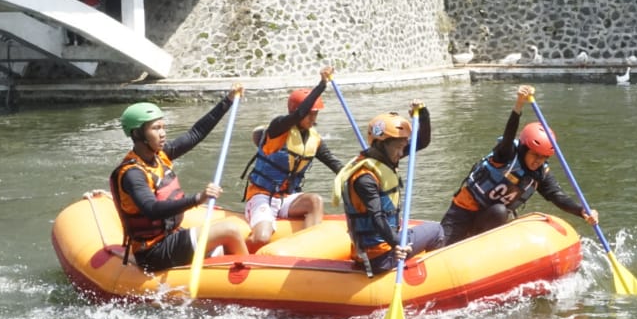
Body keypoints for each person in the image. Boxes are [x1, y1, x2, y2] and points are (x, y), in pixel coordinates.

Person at [108, 88, 250, 273]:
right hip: (153, 251)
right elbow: (151, 210)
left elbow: (195, 134)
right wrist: (197, 198)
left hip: (170, 236)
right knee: (229, 230)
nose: (163, 133)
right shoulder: (133, 174)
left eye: (163, 127)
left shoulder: (161, 156)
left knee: (225, 237)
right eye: (155, 128)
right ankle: (248, 275)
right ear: (137, 134)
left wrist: (228, 100)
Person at [439, 85, 598, 245]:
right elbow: (508, 135)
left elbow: (558, 196)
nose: (538, 161)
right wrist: (518, 105)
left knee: (500, 211)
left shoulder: (540, 173)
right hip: (464, 209)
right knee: (441, 245)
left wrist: (582, 211)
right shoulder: (506, 155)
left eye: (543, 157)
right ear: (524, 149)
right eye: (535, 155)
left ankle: (479, 248)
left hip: (490, 219)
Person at [333, 103, 445, 276]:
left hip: (376, 251)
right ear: (381, 144)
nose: (401, 153)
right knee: (436, 230)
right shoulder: (365, 178)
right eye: (398, 148)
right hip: (381, 256)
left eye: (403, 147)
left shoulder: (384, 159)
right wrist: (396, 244)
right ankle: (437, 277)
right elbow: (377, 217)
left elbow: (422, 142)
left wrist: (423, 114)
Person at [241, 66, 345, 249]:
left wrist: (360, 176)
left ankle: (307, 250)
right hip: (262, 195)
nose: (313, 118)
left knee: (315, 201)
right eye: (310, 114)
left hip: (288, 197)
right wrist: (322, 85)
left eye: (316, 114)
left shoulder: (314, 139)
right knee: (262, 238)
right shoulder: (278, 128)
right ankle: (227, 249)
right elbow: (298, 114)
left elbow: (335, 165)